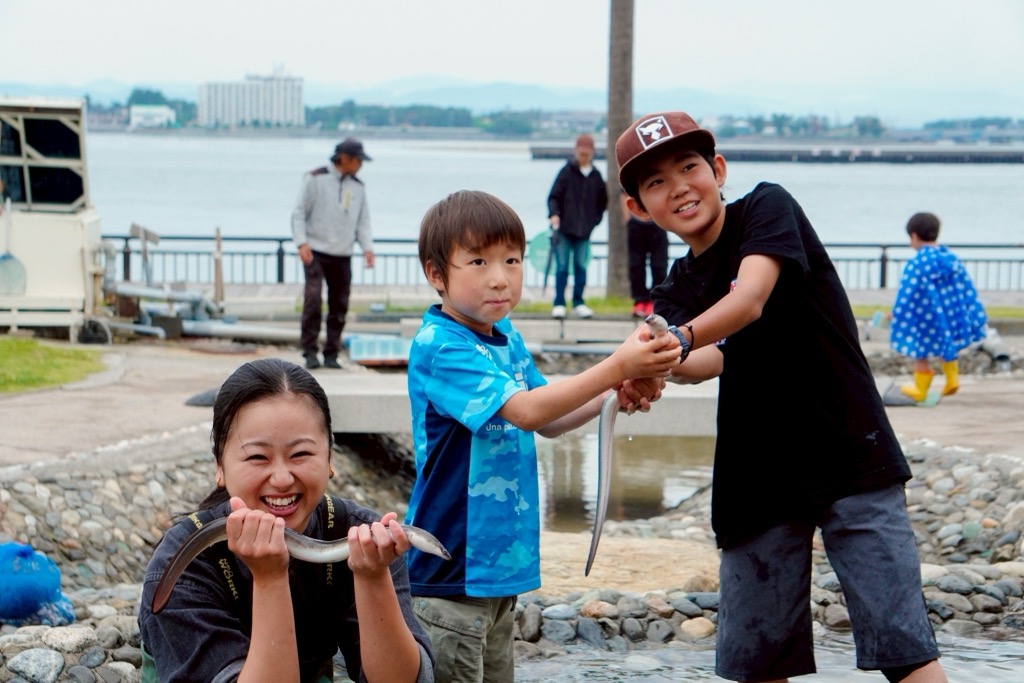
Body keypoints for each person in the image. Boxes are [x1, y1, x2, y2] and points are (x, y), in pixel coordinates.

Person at [615, 111, 948, 683]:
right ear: (639, 209)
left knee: (905, 650)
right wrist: (645, 370)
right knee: (758, 663)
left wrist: (677, 339)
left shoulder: (768, 209)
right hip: (757, 477)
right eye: (656, 182)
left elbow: (749, 300)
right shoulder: (675, 288)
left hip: (848, 450)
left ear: (717, 169)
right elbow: (704, 360)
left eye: (689, 167)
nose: (679, 187)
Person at [404, 189, 678, 682]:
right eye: (478, 261)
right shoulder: (441, 345)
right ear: (436, 274)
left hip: (497, 575)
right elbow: (528, 412)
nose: (500, 277)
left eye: (512, 259)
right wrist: (615, 364)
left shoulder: (504, 335)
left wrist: (613, 388)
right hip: (449, 574)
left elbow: (550, 416)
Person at [138, 358, 434, 683]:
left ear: (330, 458)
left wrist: (373, 578)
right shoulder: (186, 562)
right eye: (257, 457)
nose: (281, 478)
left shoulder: (360, 536)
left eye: (301, 454)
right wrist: (269, 579)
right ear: (219, 466)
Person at [292, 138, 376, 370]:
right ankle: (309, 351)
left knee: (339, 305)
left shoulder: (359, 186)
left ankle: (332, 352)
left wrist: (367, 248)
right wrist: (302, 243)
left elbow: (363, 221)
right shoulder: (315, 178)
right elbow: (299, 213)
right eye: (358, 160)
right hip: (315, 251)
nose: (360, 165)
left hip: (343, 254)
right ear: (345, 158)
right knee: (313, 301)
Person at [889, 212, 987, 401]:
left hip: (924, 316)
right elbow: (965, 287)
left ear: (914, 236)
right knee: (947, 343)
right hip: (950, 313)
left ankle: (920, 389)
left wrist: (896, 313)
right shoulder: (950, 259)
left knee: (920, 353)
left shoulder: (917, 263)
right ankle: (952, 379)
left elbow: (908, 292)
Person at [546, 133, 608, 319]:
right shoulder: (566, 172)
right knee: (562, 267)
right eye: (580, 152)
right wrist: (554, 215)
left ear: (592, 153)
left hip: (584, 232)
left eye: (586, 152)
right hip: (564, 230)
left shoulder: (596, 176)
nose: (583, 156)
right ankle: (559, 303)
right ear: (575, 151)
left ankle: (578, 302)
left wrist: (593, 222)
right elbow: (553, 196)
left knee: (581, 267)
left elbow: (602, 202)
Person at [622, 189, 668, 318]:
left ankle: (655, 301)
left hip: (656, 223)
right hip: (635, 223)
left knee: (659, 265)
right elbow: (623, 193)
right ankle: (639, 300)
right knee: (635, 265)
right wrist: (627, 218)